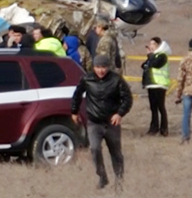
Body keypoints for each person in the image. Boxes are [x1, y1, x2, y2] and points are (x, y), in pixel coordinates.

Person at [71, 54, 133, 189]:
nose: (101, 70)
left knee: (116, 153)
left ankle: (119, 181)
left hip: (111, 123)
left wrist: (119, 114)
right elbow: (77, 95)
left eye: (104, 67)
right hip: (94, 122)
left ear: (108, 67)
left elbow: (127, 98)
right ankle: (102, 177)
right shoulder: (86, 79)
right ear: (93, 67)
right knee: (94, 149)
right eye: (98, 67)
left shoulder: (116, 80)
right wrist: (74, 112)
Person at [141, 36, 171, 137]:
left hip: (159, 84)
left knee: (160, 107)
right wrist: (150, 57)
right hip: (151, 84)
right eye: (150, 44)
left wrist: (150, 55)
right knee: (153, 107)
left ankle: (164, 129)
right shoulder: (153, 56)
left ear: (158, 45)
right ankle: (154, 127)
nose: (151, 46)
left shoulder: (162, 55)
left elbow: (155, 64)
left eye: (153, 44)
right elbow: (144, 65)